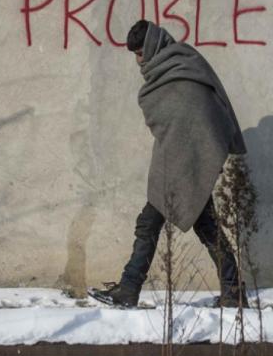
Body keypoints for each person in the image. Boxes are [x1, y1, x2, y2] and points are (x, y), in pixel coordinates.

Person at [89, 20, 248, 309]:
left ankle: (129, 289)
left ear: (151, 46)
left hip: (191, 160)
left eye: (140, 52)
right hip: (180, 161)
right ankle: (233, 292)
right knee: (205, 228)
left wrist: (199, 151)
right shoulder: (176, 69)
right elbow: (170, 121)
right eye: (135, 54)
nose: (139, 60)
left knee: (149, 224)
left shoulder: (185, 66)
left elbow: (206, 110)